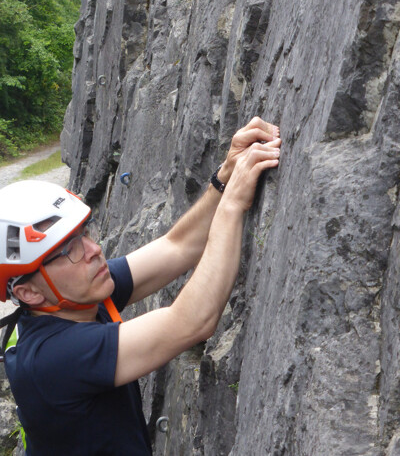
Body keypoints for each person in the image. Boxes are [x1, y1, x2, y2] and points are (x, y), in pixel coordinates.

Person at [0, 117, 281, 455]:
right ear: (29, 293)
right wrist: (233, 204)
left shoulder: (78, 296)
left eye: (84, 233)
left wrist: (223, 179)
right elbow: (192, 321)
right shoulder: (53, 359)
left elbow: (177, 247)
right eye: (68, 250)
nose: (93, 250)